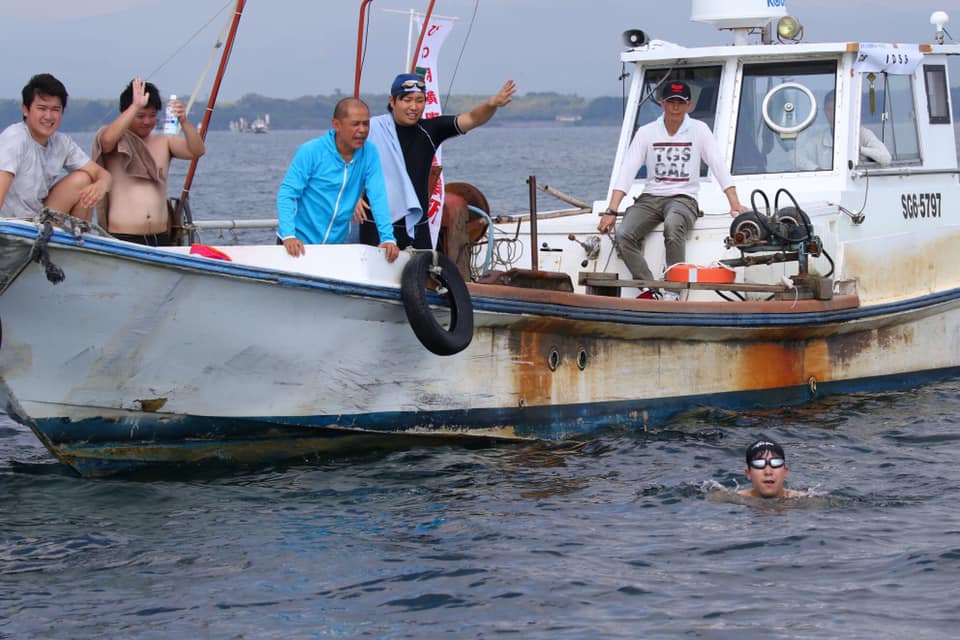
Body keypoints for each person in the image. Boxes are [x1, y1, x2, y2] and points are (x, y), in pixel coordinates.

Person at [597, 80, 748, 299]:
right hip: (650, 198)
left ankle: (673, 291)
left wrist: (734, 203)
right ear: (662, 103)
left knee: (673, 225)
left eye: (680, 102)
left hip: (684, 198)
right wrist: (611, 210)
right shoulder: (647, 132)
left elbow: (718, 165)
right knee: (623, 234)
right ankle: (649, 289)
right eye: (671, 101)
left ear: (689, 105)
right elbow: (627, 170)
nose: (675, 107)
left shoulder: (699, 130)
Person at [357, 73, 517, 250]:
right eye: (407, 100)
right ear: (392, 101)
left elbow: (472, 119)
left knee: (426, 267)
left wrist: (492, 104)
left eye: (420, 100)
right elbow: (342, 162)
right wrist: (353, 197)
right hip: (375, 224)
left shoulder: (430, 130)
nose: (414, 107)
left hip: (417, 225)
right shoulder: (371, 129)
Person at [277, 97, 398, 262]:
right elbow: (287, 193)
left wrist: (388, 238)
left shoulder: (370, 152)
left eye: (366, 124)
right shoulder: (310, 151)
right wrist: (288, 235)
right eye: (355, 124)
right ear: (337, 125)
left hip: (334, 247)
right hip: (297, 244)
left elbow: (378, 196)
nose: (362, 130)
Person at [92, 78, 205, 246]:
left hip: (160, 236)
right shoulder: (115, 140)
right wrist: (135, 105)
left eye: (152, 116)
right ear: (126, 113)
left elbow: (197, 151)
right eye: (140, 116)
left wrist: (184, 121)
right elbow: (106, 141)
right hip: (123, 237)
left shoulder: (164, 141)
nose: (147, 121)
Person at [0, 73, 111, 221]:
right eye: (42, 108)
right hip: (11, 225)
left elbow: (102, 174)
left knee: (83, 179)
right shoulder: (15, 138)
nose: (48, 116)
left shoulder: (61, 142)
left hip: (39, 222)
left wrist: (101, 185)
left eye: (55, 109)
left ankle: (80, 234)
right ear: (25, 110)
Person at [795, 90, 892, 171]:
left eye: (835, 109)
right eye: (828, 110)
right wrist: (815, 168)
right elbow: (796, 157)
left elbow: (886, 158)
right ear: (824, 111)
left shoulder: (862, 133)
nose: (832, 113)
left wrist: (860, 149)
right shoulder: (819, 139)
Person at [737, 437, 803, 499]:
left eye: (776, 462)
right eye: (759, 463)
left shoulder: (803, 500)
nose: (768, 472)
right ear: (748, 473)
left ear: (785, 472)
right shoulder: (736, 499)